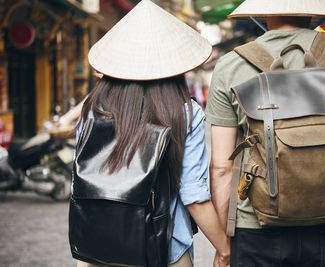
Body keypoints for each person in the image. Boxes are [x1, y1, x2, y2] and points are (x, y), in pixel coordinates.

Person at [205, 0, 325, 266]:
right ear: (314, 8)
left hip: (254, 229)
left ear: (261, 10)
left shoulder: (231, 65)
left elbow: (221, 169)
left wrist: (223, 243)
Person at [73, 1, 230, 266]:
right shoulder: (185, 112)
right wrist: (224, 248)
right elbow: (193, 194)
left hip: (97, 247)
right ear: (175, 62)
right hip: (164, 248)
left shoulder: (95, 107)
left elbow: (81, 175)